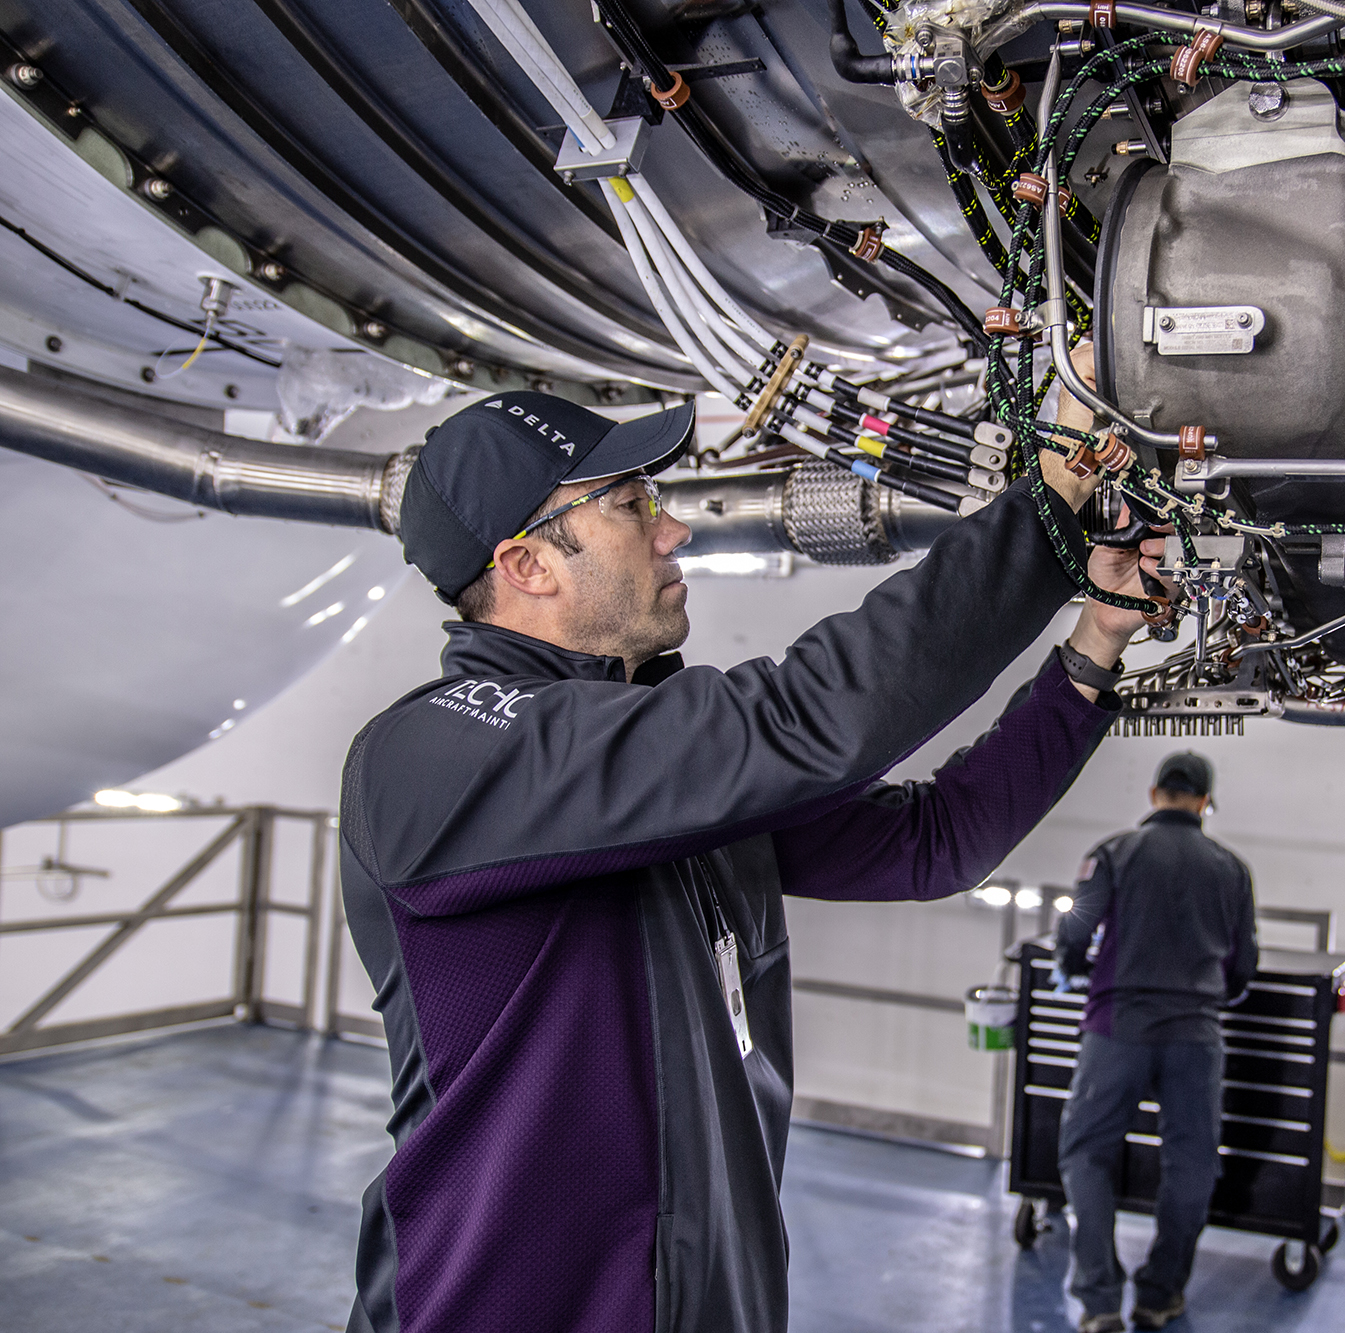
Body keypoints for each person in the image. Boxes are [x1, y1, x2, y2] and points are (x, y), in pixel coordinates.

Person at [337, 388, 1164, 1333]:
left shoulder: (661, 780)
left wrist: (1094, 645)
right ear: (527, 564)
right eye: (632, 502)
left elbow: (936, 842)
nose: (674, 529)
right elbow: (813, 720)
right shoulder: (432, 757)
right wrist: (1048, 504)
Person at [1053, 752, 1258, 1333]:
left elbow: (1074, 931)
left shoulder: (1114, 853)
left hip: (1117, 1028)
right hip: (1195, 1035)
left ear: (1153, 794)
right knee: (1191, 1163)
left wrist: (1073, 967)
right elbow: (1244, 966)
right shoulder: (1231, 868)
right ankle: (1160, 1294)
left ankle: (1098, 1303)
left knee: (1086, 1152)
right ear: (1204, 802)